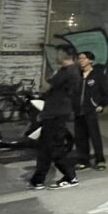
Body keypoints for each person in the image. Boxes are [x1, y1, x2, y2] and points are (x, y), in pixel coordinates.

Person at [29, 45, 81, 189]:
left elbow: (47, 87)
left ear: (64, 54)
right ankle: (38, 180)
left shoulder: (68, 72)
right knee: (45, 148)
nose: (56, 56)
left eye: (58, 53)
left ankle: (70, 176)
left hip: (57, 114)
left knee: (55, 148)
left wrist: (42, 77)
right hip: (53, 112)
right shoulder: (66, 71)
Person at [73, 51, 108, 171]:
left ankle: (100, 160)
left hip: (91, 110)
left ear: (90, 60)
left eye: (83, 58)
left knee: (94, 136)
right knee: (80, 137)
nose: (81, 61)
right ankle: (83, 160)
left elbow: (106, 92)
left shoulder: (98, 75)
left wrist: (101, 104)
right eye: (79, 58)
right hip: (78, 110)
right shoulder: (77, 75)